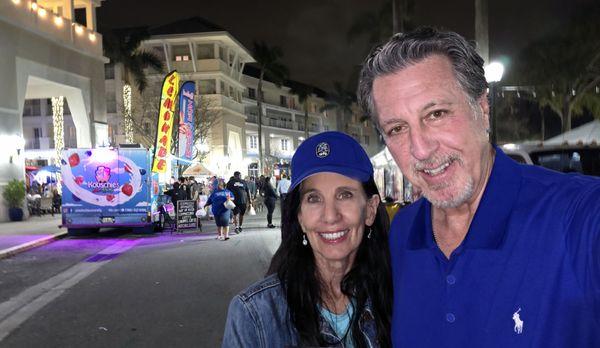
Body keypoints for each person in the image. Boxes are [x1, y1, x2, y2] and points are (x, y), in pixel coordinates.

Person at [357, 26, 600, 347]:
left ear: (482, 109)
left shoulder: (577, 215)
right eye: (397, 128)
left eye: (436, 113)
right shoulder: (404, 230)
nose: (420, 149)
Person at [222, 131, 392, 347]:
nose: (330, 216)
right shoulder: (255, 314)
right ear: (300, 217)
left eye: (345, 195)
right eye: (314, 198)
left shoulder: (401, 296)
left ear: (370, 209)